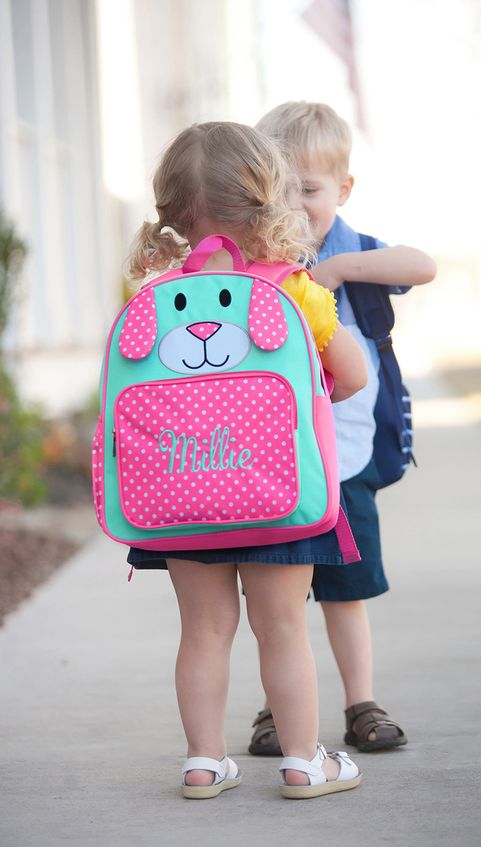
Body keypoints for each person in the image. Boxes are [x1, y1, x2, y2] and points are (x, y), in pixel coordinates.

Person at [125, 121, 368, 799]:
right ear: (270, 199)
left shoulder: (154, 297)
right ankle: (302, 761)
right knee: (283, 628)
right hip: (279, 494)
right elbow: (352, 377)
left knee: (202, 630)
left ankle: (203, 762)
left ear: (172, 211)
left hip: (182, 494)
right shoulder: (293, 288)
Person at [249, 102, 436, 756]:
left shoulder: (355, 252)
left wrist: (337, 270)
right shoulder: (259, 260)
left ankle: (362, 702)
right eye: (280, 190)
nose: (295, 207)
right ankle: (276, 710)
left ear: (343, 189)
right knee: (278, 601)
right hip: (278, 463)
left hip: (346, 456)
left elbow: (422, 265)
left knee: (346, 592)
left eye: (309, 189)